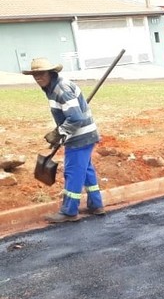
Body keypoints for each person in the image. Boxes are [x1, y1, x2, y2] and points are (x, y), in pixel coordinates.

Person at [23, 57, 105, 223]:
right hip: (82, 135)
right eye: (35, 74)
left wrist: (59, 132)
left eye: (41, 73)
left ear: (51, 73)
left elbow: (76, 118)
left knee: (73, 173)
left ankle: (69, 211)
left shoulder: (61, 89)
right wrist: (59, 134)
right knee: (86, 171)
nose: (38, 77)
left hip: (80, 137)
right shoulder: (52, 88)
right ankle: (96, 205)